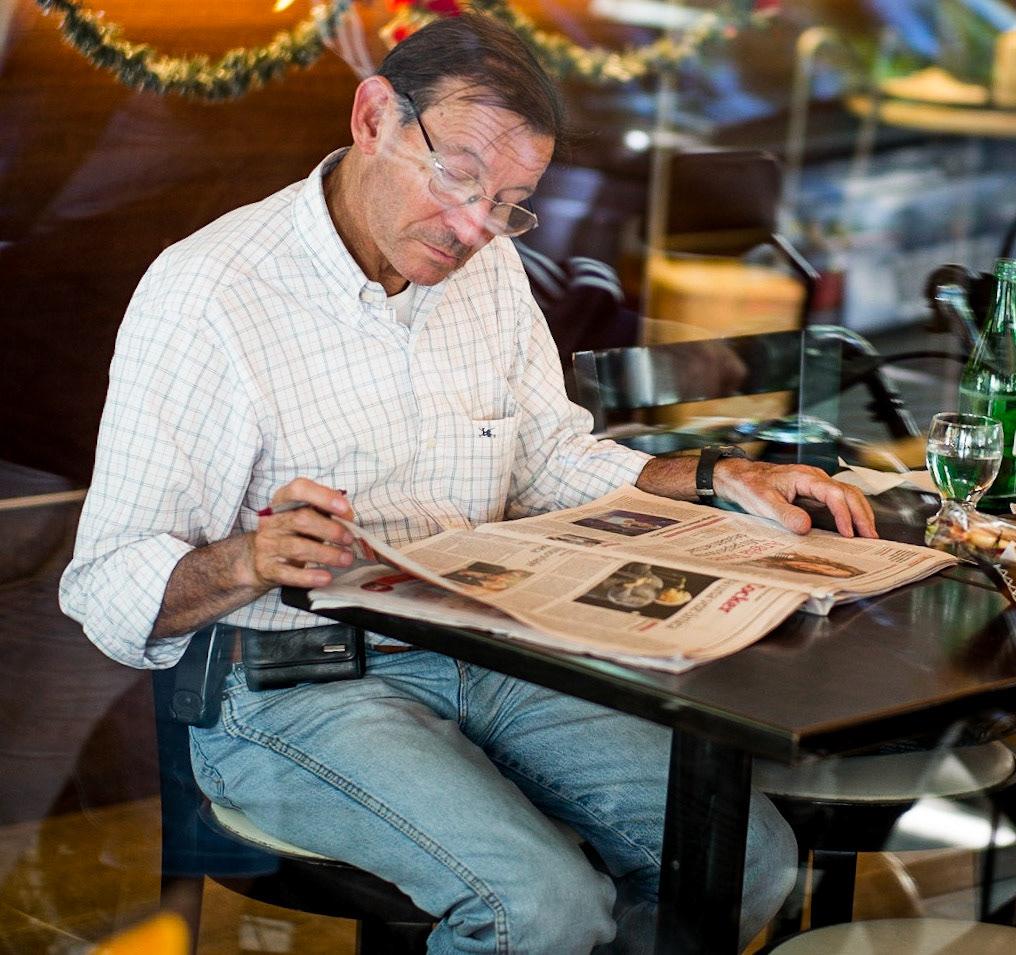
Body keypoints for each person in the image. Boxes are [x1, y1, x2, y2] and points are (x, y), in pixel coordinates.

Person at [59, 14, 878, 954]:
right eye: (457, 175)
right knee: (540, 906)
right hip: (289, 686)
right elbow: (106, 587)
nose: (474, 226)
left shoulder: (483, 271)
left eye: (510, 201)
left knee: (746, 858)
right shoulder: (208, 292)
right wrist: (249, 557)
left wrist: (713, 474)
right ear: (374, 117)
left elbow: (545, 465)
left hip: (495, 655)